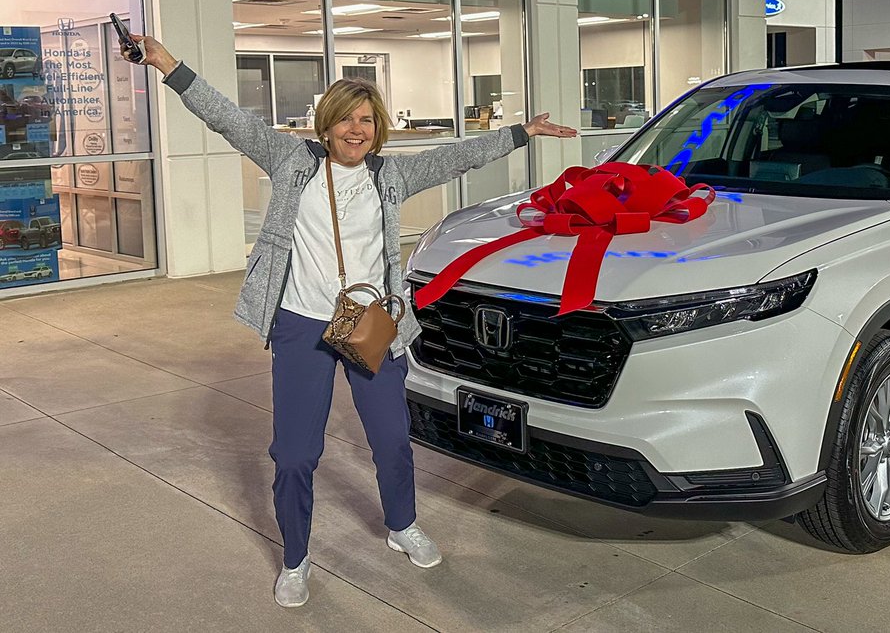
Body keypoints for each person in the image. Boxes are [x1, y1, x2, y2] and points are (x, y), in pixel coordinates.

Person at [122, 33, 576, 608]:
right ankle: (295, 558)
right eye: (345, 119)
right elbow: (225, 117)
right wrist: (166, 63)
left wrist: (522, 133)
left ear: (377, 126)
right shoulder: (290, 162)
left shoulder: (390, 176)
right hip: (300, 324)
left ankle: (401, 525)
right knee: (294, 453)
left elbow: (457, 156)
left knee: (392, 440)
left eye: (366, 119)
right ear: (327, 123)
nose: (355, 130)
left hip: (370, 323)